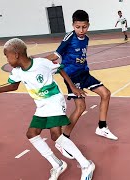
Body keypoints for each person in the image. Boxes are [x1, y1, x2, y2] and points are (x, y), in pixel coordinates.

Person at [0, 38, 95, 180]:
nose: (7, 60)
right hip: (41, 105)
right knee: (32, 134)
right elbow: (13, 86)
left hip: (54, 100)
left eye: (7, 56)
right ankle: (57, 164)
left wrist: (73, 87)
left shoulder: (41, 63)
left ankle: (86, 164)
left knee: (56, 135)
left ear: (16, 54)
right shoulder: (17, 71)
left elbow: (60, 68)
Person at [45, 10, 118, 152]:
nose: (81, 30)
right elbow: (56, 55)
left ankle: (102, 127)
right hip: (72, 76)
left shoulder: (86, 38)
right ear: (73, 25)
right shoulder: (69, 38)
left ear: (88, 25)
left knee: (106, 94)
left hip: (84, 73)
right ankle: (64, 139)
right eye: (78, 27)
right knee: (81, 107)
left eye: (84, 27)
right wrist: (34, 62)